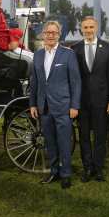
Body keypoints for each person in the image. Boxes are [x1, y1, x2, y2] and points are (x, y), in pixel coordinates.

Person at [29, 21, 81, 189]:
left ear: (59, 35)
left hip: (63, 106)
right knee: (50, 142)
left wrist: (74, 106)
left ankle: (65, 174)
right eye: (47, 32)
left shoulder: (68, 54)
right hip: (43, 107)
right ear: (43, 34)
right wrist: (32, 104)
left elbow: (76, 82)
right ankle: (54, 172)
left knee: (64, 142)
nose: (50, 35)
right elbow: (34, 82)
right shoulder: (37, 55)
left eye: (53, 32)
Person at [72, 16, 109, 182]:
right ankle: (87, 168)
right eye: (85, 27)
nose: (88, 30)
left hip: (102, 101)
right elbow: (73, 78)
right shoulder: (75, 48)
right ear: (81, 29)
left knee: (100, 136)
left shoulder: (107, 47)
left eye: (91, 27)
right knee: (84, 137)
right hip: (82, 102)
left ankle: (98, 169)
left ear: (96, 28)